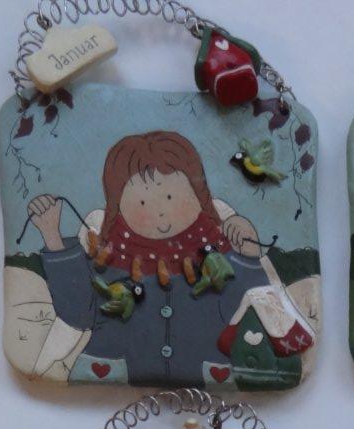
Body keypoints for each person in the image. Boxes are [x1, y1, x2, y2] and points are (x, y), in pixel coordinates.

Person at [25, 130, 280, 386]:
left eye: (170, 197)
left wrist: (249, 254)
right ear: (118, 204)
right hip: (109, 379)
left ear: (198, 194)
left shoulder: (216, 254)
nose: (161, 214)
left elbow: (249, 310)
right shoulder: (108, 254)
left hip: (205, 382)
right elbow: (79, 314)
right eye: (142, 203)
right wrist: (52, 235)